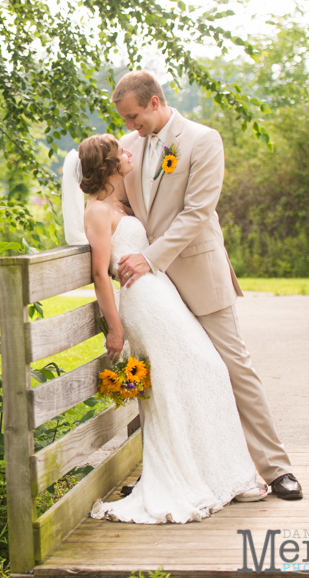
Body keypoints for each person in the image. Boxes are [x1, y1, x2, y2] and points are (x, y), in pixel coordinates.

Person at [64, 133, 265, 524]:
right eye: (120, 151)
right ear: (108, 163)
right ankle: (186, 475)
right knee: (190, 376)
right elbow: (100, 275)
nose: (128, 152)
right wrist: (115, 327)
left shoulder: (118, 203)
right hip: (143, 305)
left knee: (204, 372)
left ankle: (217, 471)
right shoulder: (97, 212)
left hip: (162, 296)